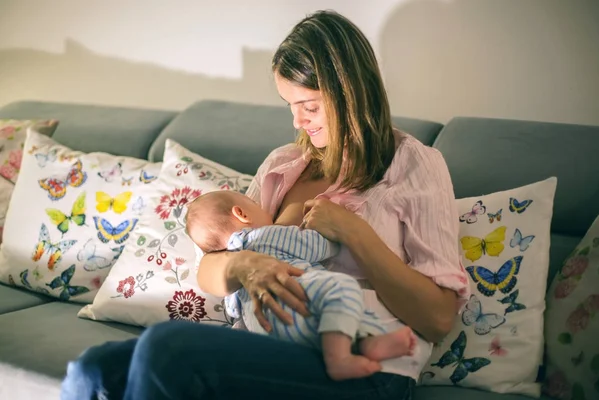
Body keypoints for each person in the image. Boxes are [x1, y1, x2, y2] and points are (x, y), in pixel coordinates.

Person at [60, 9, 469, 400]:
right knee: (92, 369)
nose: (298, 121)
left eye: (309, 106)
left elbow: (437, 318)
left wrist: (354, 233)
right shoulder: (283, 166)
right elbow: (211, 264)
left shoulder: (414, 164)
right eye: (290, 106)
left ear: (352, 93)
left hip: (367, 369)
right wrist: (243, 265)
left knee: (169, 349)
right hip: (270, 347)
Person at [185, 190, 417, 381]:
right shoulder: (266, 236)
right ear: (242, 213)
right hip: (302, 298)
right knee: (342, 292)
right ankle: (350, 353)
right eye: (255, 202)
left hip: (270, 334)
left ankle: (358, 349)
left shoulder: (234, 281)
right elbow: (315, 247)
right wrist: (334, 237)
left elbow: (234, 312)